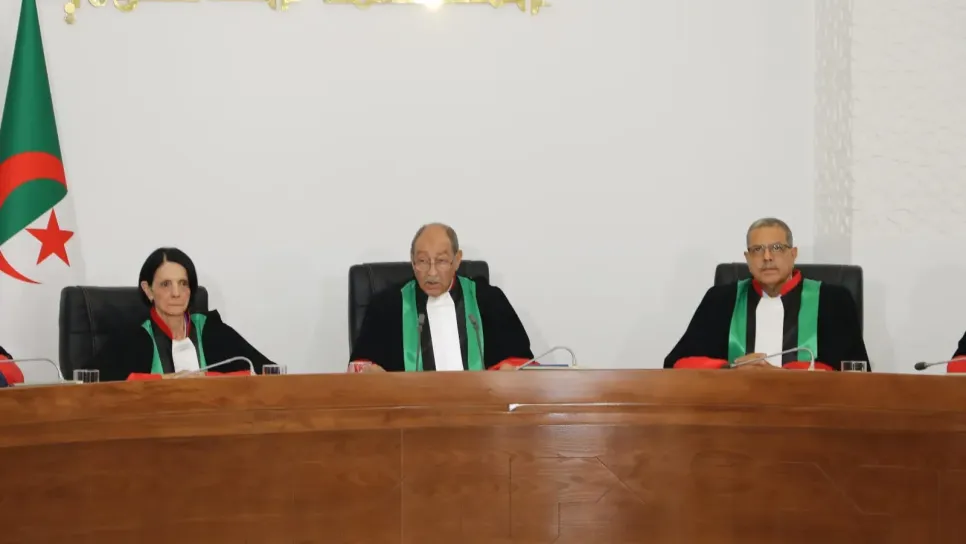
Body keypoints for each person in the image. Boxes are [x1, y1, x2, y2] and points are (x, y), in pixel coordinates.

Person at [664, 217, 869, 371]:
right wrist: (731, 369)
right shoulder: (721, 300)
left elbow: (854, 373)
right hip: (737, 409)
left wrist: (782, 376)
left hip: (807, 410)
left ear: (793, 254)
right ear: (748, 258)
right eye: (757, 250)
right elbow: (677, 364)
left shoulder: (832, 301)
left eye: (777, 248)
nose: (767, 257)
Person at [349, 223, 534, 372]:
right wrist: (372, 374)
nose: (432, 272)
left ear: (457, 260)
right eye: (422, 261)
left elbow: (521, 365)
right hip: (410, 407)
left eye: (441, 261)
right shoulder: (387, 306)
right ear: (412, 261)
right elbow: (361, 369)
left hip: (477, 405)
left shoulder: (488, 300)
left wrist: (508, 372)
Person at [89, 247, 275, 381]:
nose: (176, 293)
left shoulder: (211, 330)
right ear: (148, 290)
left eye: (183, 283)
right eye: (166, 284)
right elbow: (87, 382)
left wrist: (205, 378)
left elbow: (269, 374)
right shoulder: (131, 339)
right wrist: (165, 380)